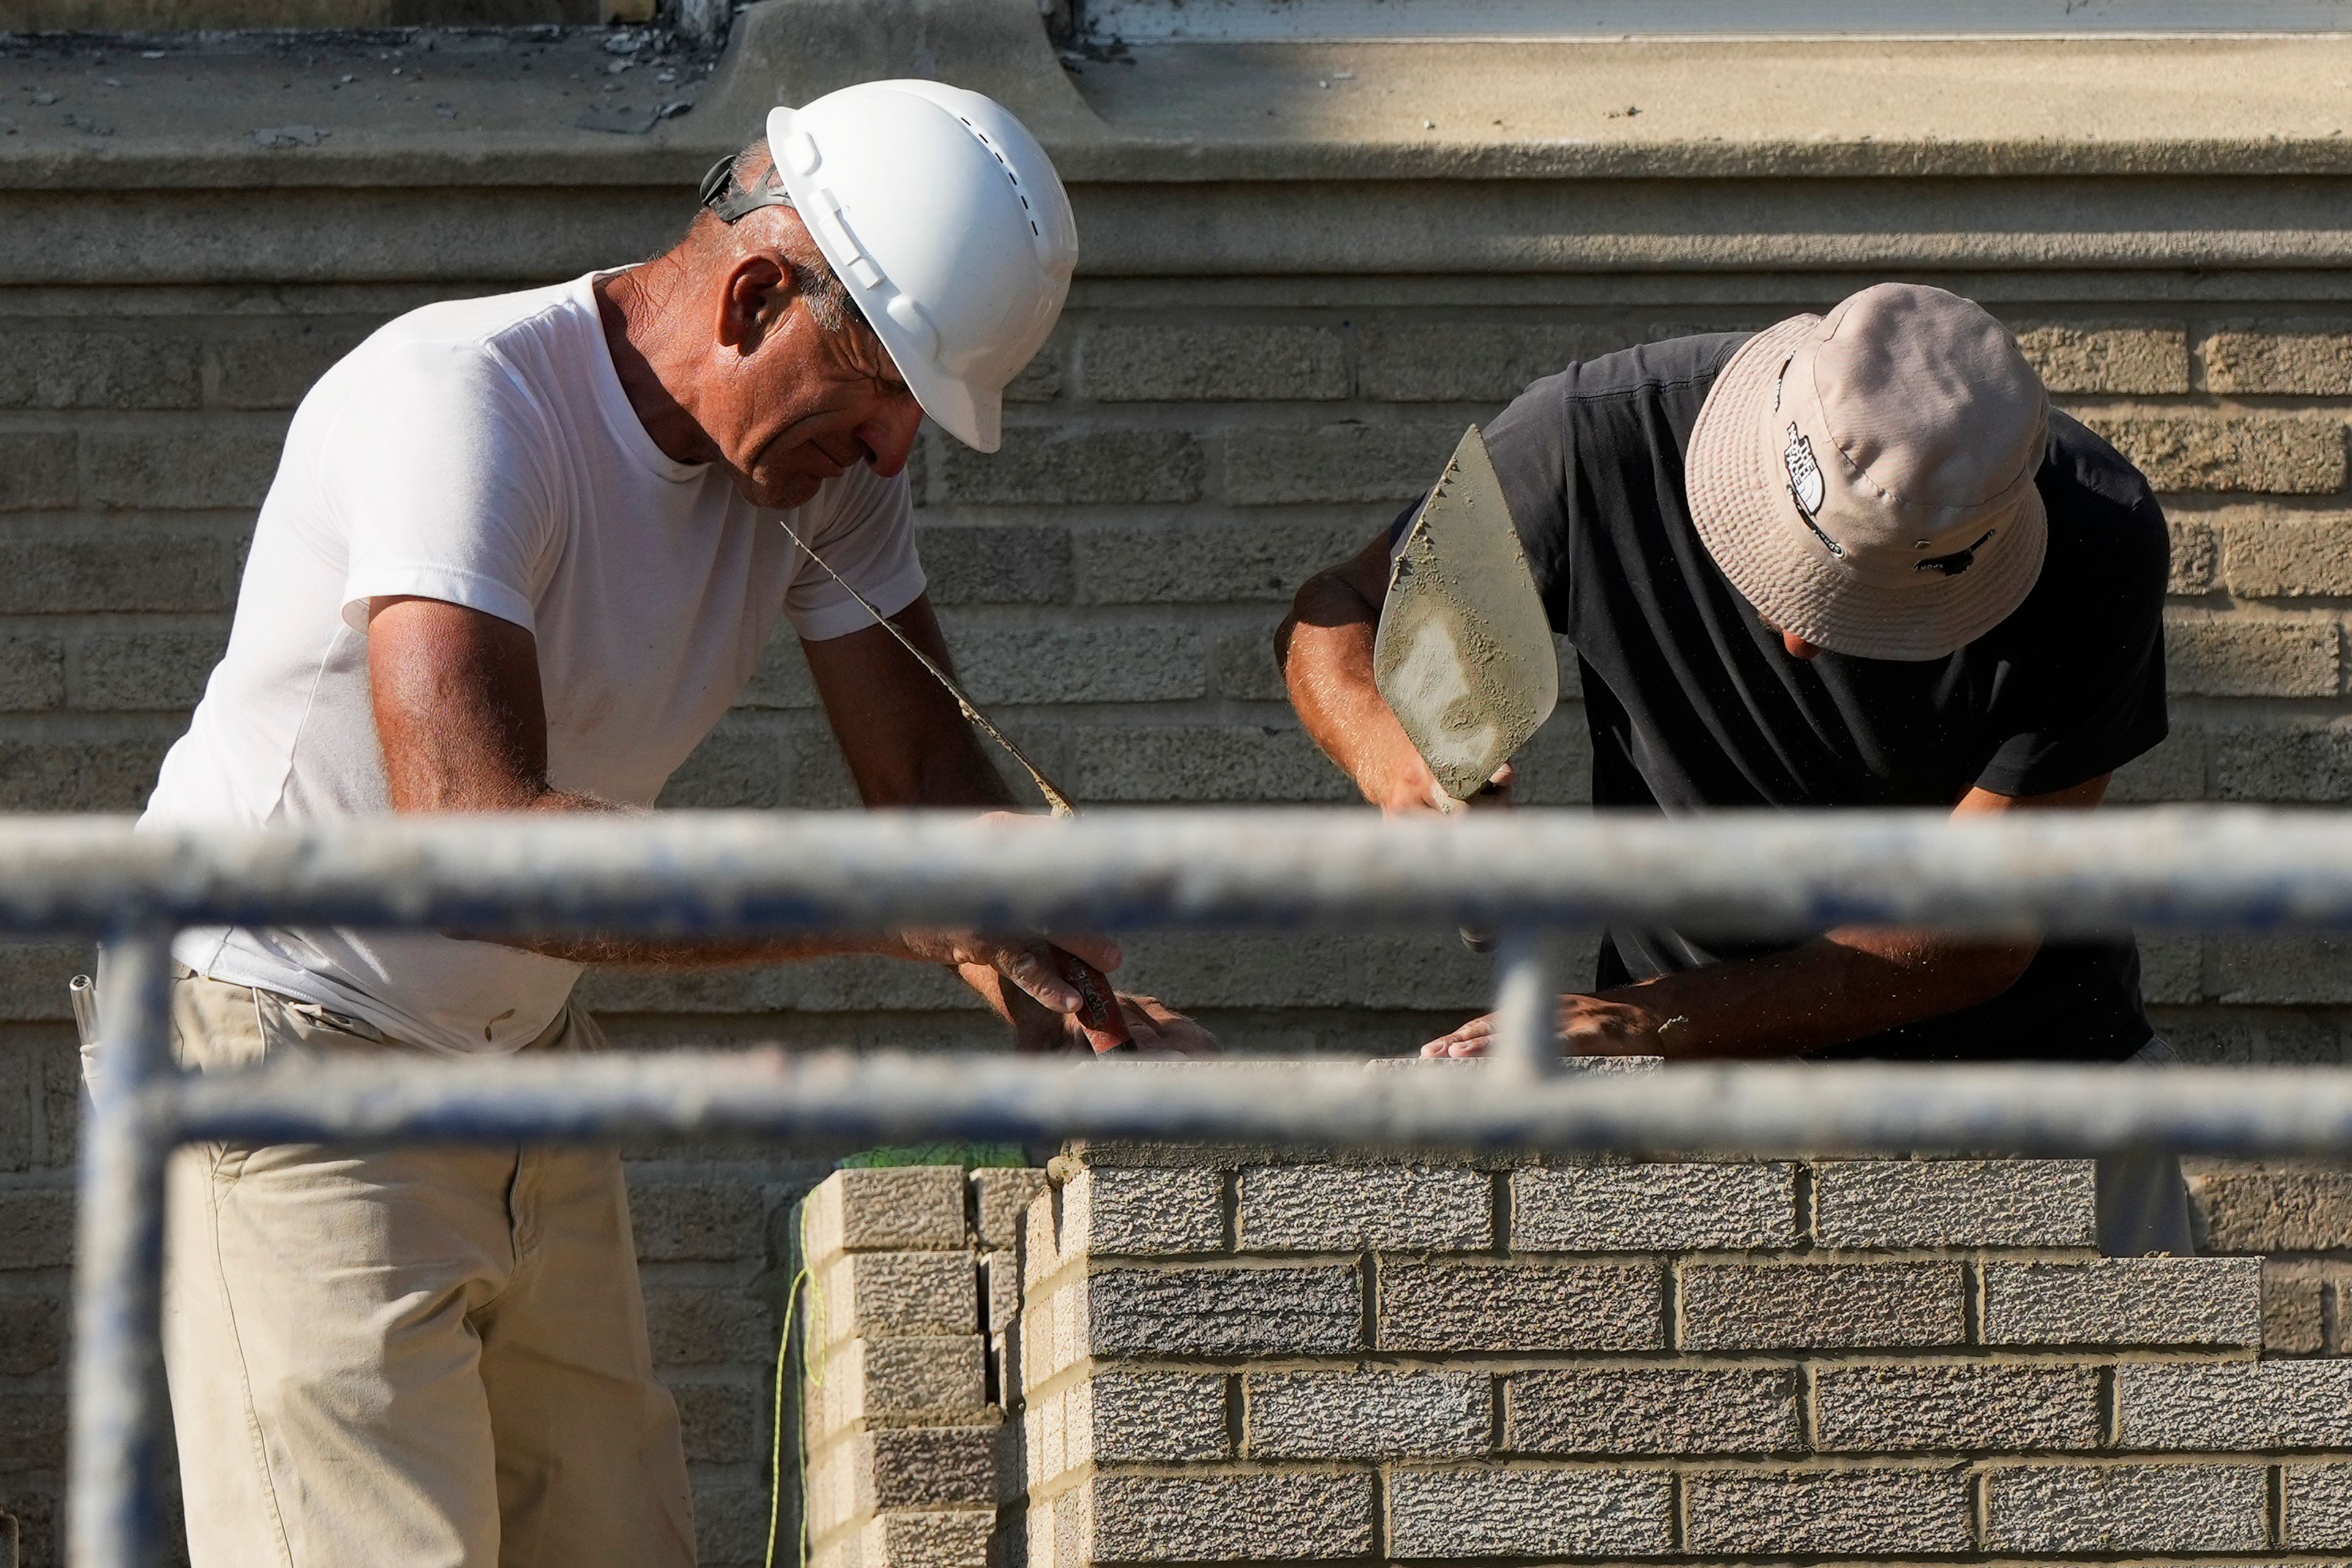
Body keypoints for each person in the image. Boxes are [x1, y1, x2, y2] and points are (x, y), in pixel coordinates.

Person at [135, 81, 1204, 1568]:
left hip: (517, 1072)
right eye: (884, 396)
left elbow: (927, 805)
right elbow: (468, 839)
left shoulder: (822, 476)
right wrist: (898, 902)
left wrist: (1059, 1000)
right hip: (287, 1050)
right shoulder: (463, 401)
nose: (897, 456)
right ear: (758, 295)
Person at [1278, 282, 2188, 1254]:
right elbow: (1340, 609)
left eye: (1871, 616)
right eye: (1783, 572)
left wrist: (1649, 1021)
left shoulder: (2098, 535)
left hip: (2036, 1104)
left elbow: (1973, 934)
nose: (1803, 637)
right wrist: (1397, 751)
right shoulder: (1596, 442)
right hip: (1699, 1112)